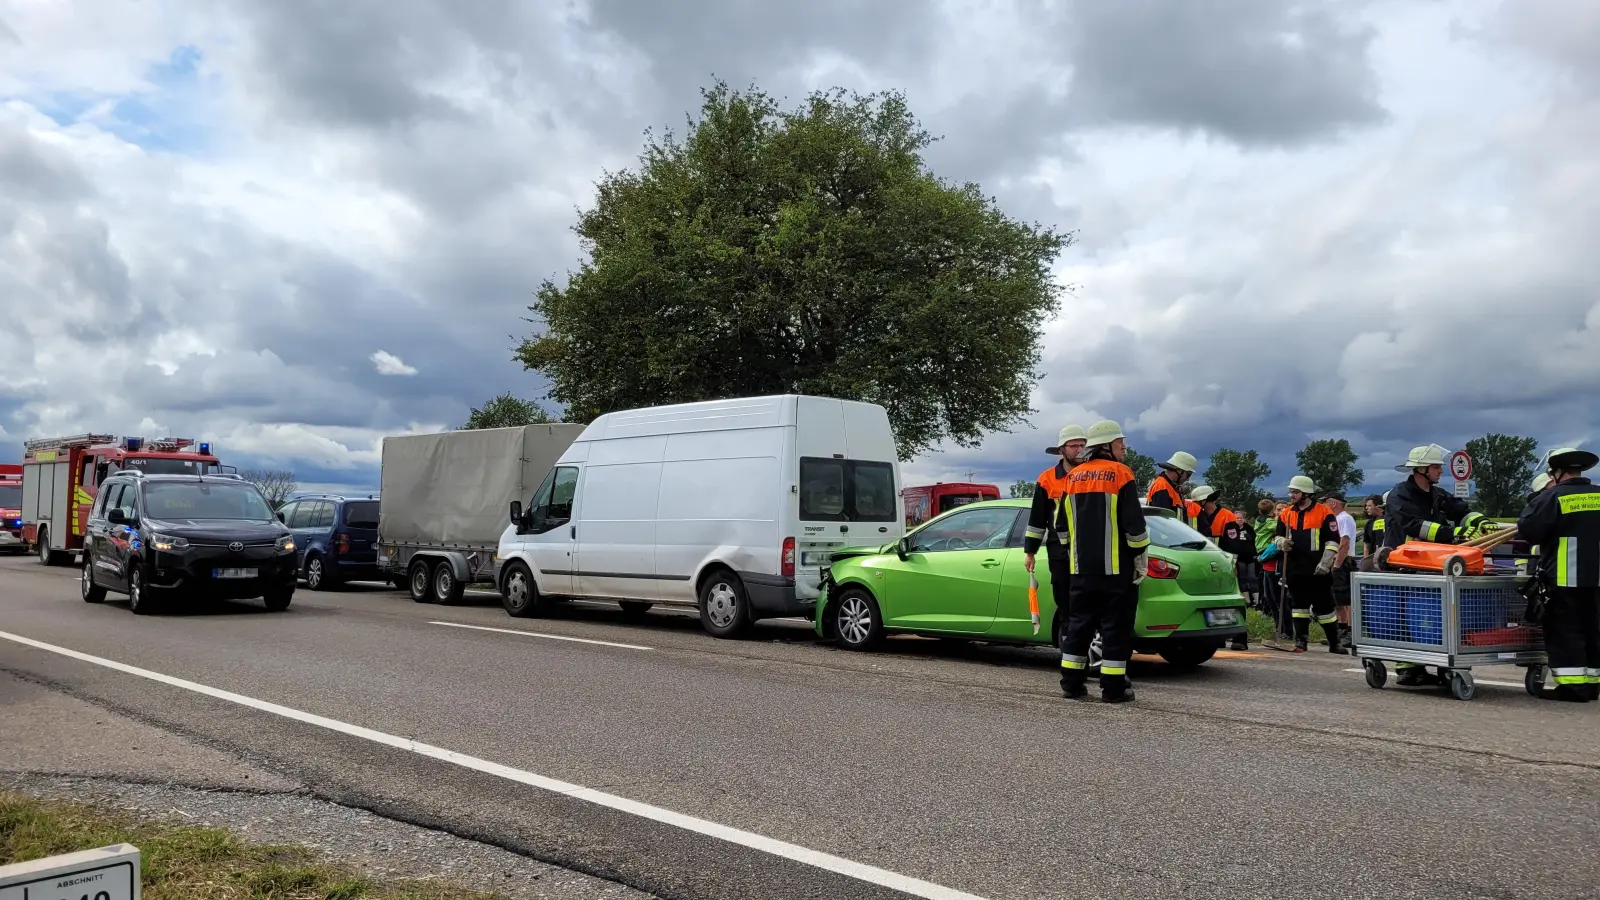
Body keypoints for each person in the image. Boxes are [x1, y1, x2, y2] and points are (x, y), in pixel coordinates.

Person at [1058, 420, 1150, 704]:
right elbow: (1134, 524)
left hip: (1081, 569)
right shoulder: (1122, 474)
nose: (1123, 448)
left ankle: (1071, 683)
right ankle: (1113, 689)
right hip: (1115, 570)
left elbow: (1061, 527)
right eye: (1120, 443)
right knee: (1115, 627)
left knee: (1078, 624)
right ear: (1108, 446)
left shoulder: (1072, 478)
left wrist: (1075, 552)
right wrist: (1140, 555)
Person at [1517, 448, 1600, 703]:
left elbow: (1529, 529)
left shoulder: (1554, 496)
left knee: (1566, 632)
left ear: (1557, 471)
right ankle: (1592, 685)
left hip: (1565, 577)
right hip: (1597, 579)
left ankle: (1572, 688)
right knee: (1593, 631)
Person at [1385, 444, 1472, 684]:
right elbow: (1415, 525)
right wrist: (1452, 533)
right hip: (1404, 563)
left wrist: (1480, 521)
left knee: (1436, 613)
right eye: (1436, 467)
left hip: (1433, 564)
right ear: (1421, 469)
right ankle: (1408, 666)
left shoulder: (1438, 494)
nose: (1440, 471)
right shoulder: (1400, 494)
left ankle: (1442, 661)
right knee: (1403, 613)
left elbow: (1462, 510)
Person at [1023, 425, 1087, 647]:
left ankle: (1082, 639)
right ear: (1062, 449)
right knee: (1064, 596)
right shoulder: (1047, 479)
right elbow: (1037, 519)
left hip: (1089, 548)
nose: (1080, 449)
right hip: (1059, 550)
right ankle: (1071, 640)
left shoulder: (1092, 475)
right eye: (1074, 446)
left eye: (1083, 445)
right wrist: (1030, 551)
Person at [1275, 475, 1341, 653]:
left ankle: (1335, 643)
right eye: (1291, 491)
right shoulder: (1286, 513)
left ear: (1306, 494)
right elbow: (1277, 536)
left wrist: (1326, 563)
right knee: (1298, 607)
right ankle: (1301, 642)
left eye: (1295, 492)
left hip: (1318, 569)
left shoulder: (1324, 512)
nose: (1291, 495)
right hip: (1295, 568)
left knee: (1325, 607)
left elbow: (1333, 541)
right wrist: (1282, 543)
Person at [1191, 485, 1251, 650]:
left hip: (1227, 564)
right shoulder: (1200, 516)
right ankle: (1216, 637)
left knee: (1233, 599)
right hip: (1206, 564)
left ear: (1204, 501)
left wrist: (1232, 567)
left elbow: (1234, 546)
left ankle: (1240, 638)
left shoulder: (1227, 517)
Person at [1323, 491, 1356, 653]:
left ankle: (1349, 632)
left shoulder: (1343, 519)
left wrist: (1336, 564)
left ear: (1333, 504)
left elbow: (1344, 543)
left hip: (1343, 562)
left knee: (1346, 599)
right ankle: (1341, 629)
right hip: (1339, 561)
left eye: (1326, 503)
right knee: (1338, 599)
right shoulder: (1339, 519)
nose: (1324, 506)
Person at [1147, 452, 1198, 519]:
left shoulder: (1170, 487)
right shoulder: (1162, 487)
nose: (1188, 479)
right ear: (1179, 470)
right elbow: (1162, 521)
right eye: (1188, 474)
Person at [1359, 494, 1386, 572]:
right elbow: (1366, 545)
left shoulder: (1390, 520)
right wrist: (1366, 563)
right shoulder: (1369, 524)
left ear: (1378, 506)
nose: (1366, 508)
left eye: (1369, 505)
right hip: (1373, 563)